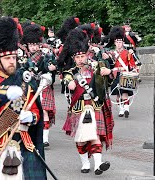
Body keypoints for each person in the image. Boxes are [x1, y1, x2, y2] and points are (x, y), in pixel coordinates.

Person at [0, 16, 47, 179]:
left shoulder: (24, 80)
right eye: (7, 58)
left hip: (23, 142)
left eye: (13, 57)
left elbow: (35, 110)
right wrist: (6, 92)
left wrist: (31, 117)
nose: (12, 62)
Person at [60, 28, 114, 175]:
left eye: (82, 56)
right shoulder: (70, 72)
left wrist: (108, 73)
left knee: (95, 136)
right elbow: (68, 80)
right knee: (81, 140)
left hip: (95, 106)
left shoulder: (97, 66)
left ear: (87, 55)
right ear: (73, 58)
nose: (80, 59)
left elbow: (110, 77)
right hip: (79, 108)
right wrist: (69, 83)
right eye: (77, 57)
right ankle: (85, 163)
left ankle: (98, 165)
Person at [21, 22, 57, 147]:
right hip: (29, 86)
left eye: (35, 44)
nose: (33, 47)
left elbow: (51, 65)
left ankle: (45, 139)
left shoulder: (46, 54)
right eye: (31, 45)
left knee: (45, 111)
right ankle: (32, 135)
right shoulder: (24, 57)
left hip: (43, 84)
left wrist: (52, 67)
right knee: (30, 111)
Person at [108, 26, 138, 118]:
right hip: (116, 75)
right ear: (115, 43)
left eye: (120, 42)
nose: (118, 44)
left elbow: (132, 64)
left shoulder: (128, 53)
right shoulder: (112, 54)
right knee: (118, 93)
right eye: (117, 42)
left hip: (125, 74)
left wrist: (134, 70)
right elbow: (110, 65)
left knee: (125, 92)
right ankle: (120, 109)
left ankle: (126, 108)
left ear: (123, 42)